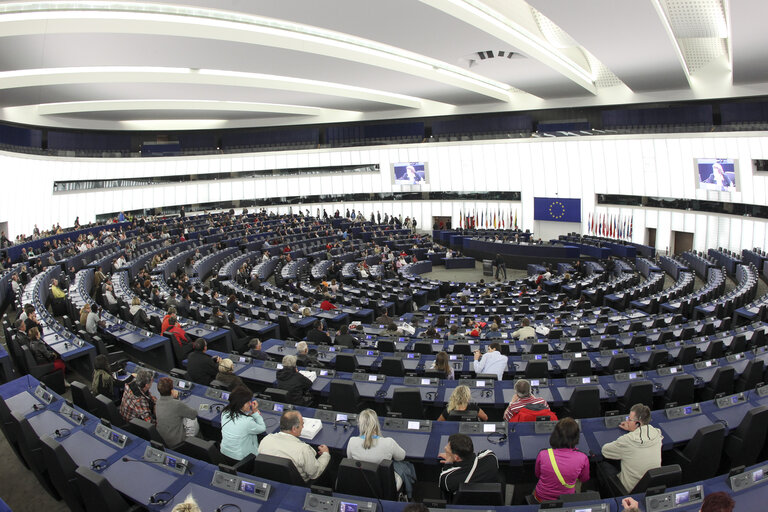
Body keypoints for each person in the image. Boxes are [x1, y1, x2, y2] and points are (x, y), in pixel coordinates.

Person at [347, 409, 415, 498]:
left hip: (360, 482)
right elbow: (401, 457)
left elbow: (350, 460)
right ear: (376, 424)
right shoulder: (389, 442)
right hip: (384, 485)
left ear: (360, 425)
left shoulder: (352, 441)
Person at [598, 404, 663, 494]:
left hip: (630, 489)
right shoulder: (657, 433)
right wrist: (633, 429)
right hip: (650, 485)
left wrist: (631, 432)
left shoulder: (627, 440)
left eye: (629, 419)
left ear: (638, 423)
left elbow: (605, 451)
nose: (627, 421)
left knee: (602, 466)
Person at [259, 411, 331, 483]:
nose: (302, 427)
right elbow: (315, 473)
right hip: (297, 484)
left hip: (270, 480)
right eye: (302, 424)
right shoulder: (303, 449)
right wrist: (325, 454)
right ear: (294, 429)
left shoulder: (265, 440)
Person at [534, 417, 590, 502]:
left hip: (541, 499)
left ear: (555, 435)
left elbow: (537, 474)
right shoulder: (583, 457)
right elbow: (584, 479)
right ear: (576, 437)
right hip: (567, 500)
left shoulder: (543, 454)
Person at [438, 433, 499, 500]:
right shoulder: (491, 458)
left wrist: (449, 461)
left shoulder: (448, 479)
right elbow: (481, 453)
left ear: (457, 458)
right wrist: (452, 456)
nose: (445, 447)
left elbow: (444, 476)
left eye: (448, 450)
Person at [220, 386, 266, 462]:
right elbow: (262, 428)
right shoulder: (247, 422)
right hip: (241, 458)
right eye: (248, 402)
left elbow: (238, 423)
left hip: (224, 453)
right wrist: (255, 413)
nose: (250, 404)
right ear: (240, 403)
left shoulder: (225, 412)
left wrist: (249, 415)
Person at [155, 377, 198, 448]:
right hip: (177, 442)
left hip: (163, 439)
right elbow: (193, 414)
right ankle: (190, 443)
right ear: (172, 390)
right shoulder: (177, 404)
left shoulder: (157, 402)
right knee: (194, 420)